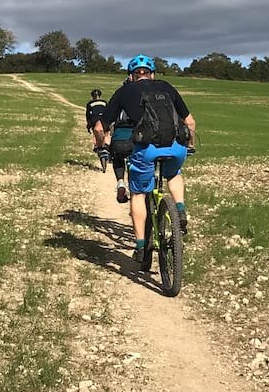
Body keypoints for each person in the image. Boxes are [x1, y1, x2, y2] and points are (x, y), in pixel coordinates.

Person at [98, 54, 196, 266]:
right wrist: (189, 146)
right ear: (152, 74)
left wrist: (100, 144)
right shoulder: (166, 87)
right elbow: (190, 121)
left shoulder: (125, 91)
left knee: (139, 194)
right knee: (174, 174)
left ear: (132, 76)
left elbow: (100, 127)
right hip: (176, 144)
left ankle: (141, 247)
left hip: (146, 147)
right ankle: (179, 209)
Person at [84, 88, 111, 170]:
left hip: (94, 121)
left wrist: (88, 126)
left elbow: (88, 116)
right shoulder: (104, 102)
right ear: (100, 95)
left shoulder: (90, 104)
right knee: (107, 133)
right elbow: (109, 111)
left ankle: (98, 146)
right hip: (104, 120)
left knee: (95, 134)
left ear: (92, 96)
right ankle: (106, 145)